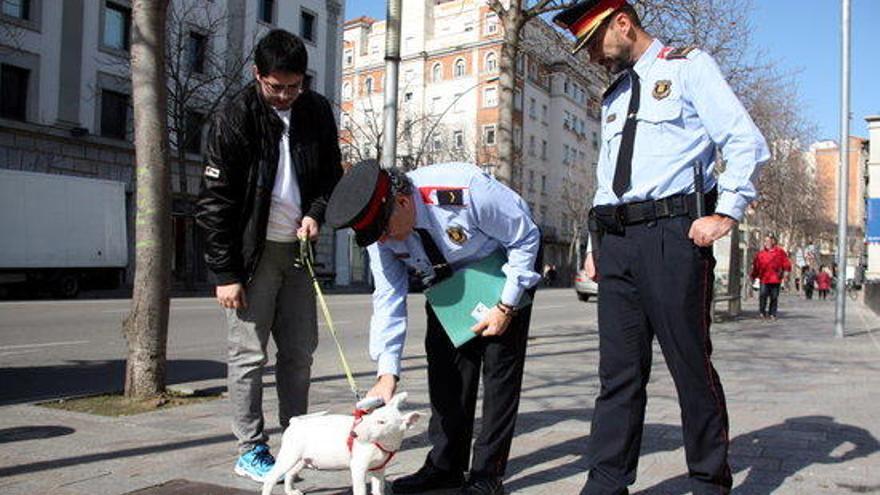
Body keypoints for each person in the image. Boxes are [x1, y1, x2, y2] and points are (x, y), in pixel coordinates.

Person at [553, 1, 769, 493]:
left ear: (622, 23)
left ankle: (708, 479)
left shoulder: (689, 67)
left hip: (672, 235)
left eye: (594, 43)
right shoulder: (614, 95)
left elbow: (743, 141)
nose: (591, 57)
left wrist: (725, 212)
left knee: (689, 363)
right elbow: (607, 181)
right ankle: (606, 482)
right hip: (616, 242)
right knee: (618, 373)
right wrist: (595, 244)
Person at [325, 160, 542, 495]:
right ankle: (445, 468)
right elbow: (388, 297)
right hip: (447, 278)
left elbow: (525, 237)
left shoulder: (465, 190)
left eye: (385, 232)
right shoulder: (379, 232)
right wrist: (387, 373)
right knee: (446, 371)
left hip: (506, 264)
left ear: (402, 202)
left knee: (499, 372)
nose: (383, 242)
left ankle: (488, 474)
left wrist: (506, 306)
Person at [195, 29, 342, 482]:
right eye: (275, 87)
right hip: (250, 255)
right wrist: (225, 272)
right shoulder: (233, 116)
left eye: (293, 87)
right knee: (248, 356)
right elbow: (215, 201)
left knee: (299, 352)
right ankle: (251, 448)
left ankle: (296, 439)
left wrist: (317, 213)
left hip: (298, 251)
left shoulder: (316, 110)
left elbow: (330, 177)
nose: (284, 96)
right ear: (257, 75)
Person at [750, 235, 792, 320]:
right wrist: (753, 276)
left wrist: (786, 272)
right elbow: (756, 266)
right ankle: (762, 312)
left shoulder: (780, 252)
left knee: (774, 297)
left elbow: (786, 262)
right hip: (764, 279)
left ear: (773, 241)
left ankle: (772, 313)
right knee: (763, 295)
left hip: (775, 279)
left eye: (768, 241)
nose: (766, 243)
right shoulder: (761, 254)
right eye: (765, 241)